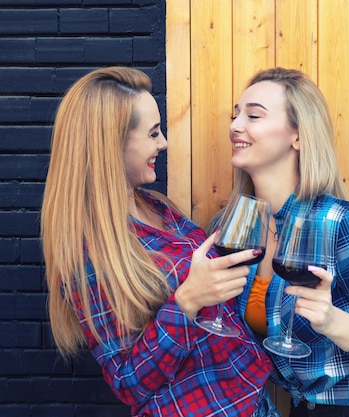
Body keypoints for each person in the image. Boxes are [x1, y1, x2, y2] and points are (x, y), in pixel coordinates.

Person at [40, 66, 279, 417]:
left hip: (252, 401)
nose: (163, 143)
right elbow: (129, 384)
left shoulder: (158, 207)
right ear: (111, 144)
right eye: (152, 133)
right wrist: (186, 301)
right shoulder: (87, 251)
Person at [225, 67, 349, 417]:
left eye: (253, 115)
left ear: (298, 136)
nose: (236, 125)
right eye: (235, 114)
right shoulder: (236, 229)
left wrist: (333, 322)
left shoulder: (341, 223)